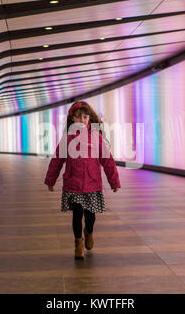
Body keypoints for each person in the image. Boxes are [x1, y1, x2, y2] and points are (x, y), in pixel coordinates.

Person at [44, 101, 121, 259]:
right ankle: (78, 243)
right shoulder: (67, 138)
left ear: (89, 118)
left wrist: (114, 182)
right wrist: (50, 180)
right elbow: (57, 160)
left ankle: (89, 232)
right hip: (73, 183)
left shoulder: (95, 137)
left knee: (90, 216)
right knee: (77, 213)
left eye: (85, 117)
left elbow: (107, 161)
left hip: (92, 184)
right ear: (72, 119)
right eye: (78, 118)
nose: (82, 120)